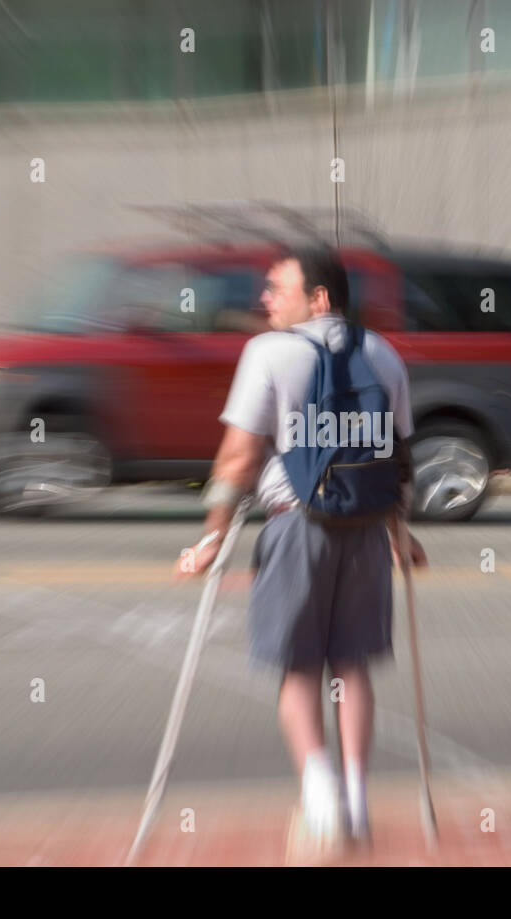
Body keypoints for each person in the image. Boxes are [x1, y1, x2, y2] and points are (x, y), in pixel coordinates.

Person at [174, 244, 427, 860]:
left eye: (275, 287)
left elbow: (237, 457)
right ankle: (359, 795)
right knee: (353, 663)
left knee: (299, 667)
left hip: (297, 524)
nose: (263, 298)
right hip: (366, 528)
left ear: (318, 297)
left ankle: (319, 790)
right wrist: (401, 534)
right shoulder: (383, 353)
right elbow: (397, 456)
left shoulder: (269, 353)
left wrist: (211, 536)